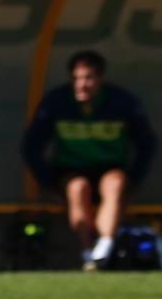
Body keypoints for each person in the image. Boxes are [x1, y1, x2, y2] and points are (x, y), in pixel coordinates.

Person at [22, 50, 154, 271]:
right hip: (71, 170)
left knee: (115, 184)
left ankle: (104, 246)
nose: (82, 85)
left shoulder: (121, 102)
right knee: (78, 187)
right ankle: (88, 254)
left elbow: (147, 143)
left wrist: (136, 180)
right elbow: (31, 145)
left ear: (100, 79)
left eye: (88, 78)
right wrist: (46, 182)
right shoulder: (57, 102)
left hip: (109, 168)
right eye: (76, 78)